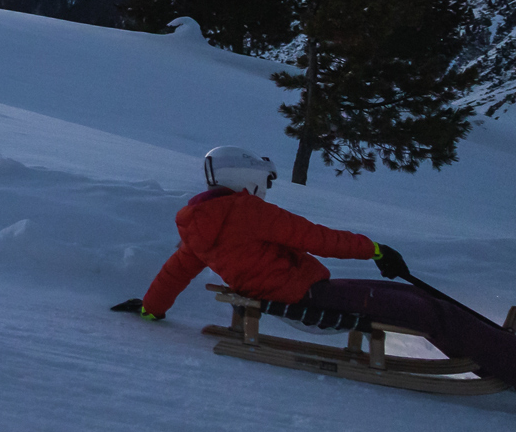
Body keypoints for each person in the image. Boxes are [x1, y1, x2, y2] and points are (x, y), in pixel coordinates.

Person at [112, 146, 515, 384]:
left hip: (296, 296)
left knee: (411, 297)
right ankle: (507, 363)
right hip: (308, 299)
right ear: (245, 179)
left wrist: (152, 308)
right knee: (426, 311)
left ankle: (500, 347)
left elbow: (175, 271)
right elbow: (314, 237)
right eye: (264, 183)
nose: (265, 191)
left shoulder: (201, 225)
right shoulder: (246, 212)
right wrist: (375, 250)